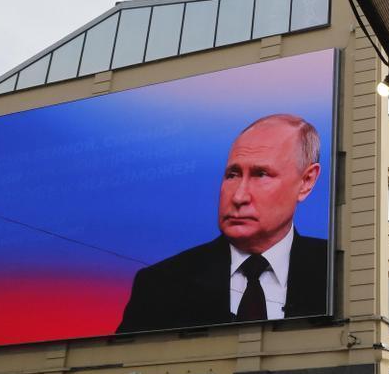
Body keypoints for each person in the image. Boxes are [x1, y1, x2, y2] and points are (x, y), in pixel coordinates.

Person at [117, 113, 328, 333]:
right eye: (232, 175)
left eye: (261, 174)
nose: (238, 197)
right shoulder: (159, 285)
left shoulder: (338, 270)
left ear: (306, 181)